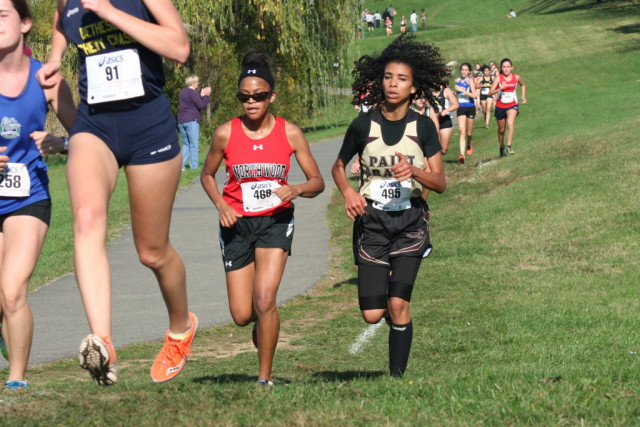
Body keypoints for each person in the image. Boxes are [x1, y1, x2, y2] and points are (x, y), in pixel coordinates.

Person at [36, 0, 198, 386]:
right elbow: (62, 19)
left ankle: (180, 328)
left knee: (152, 252)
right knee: (87, 217)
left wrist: (106, 10)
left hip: (149, 129)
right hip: (95, 126)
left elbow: (179, 47)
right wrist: (56, 56)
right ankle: (102, 344)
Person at [200, 50, 324, 386]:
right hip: (236, 223)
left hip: (275, 221)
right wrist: (221, 206)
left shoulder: (290, 133)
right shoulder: (226, 133)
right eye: (244, 97)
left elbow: (318, 182)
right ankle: (261, 322)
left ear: (271, 96)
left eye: (258, 96)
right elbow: (207, 175)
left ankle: (264, 379)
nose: (251, 102)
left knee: (265, 298)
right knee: (242, 314)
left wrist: (296, 189)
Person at [331, 34, 448, 378]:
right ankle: (385, 289)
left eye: (402, 79)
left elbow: (440, 183)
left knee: (399, 305)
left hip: (410, 223)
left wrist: (414, 171)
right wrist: (349, 194)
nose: (393, 84)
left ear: (414, 87)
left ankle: (396, 379)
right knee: (371, 313)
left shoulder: (423, 127)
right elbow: (338, 166)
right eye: (388, 77)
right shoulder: (363, 125)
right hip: (372, 223)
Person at [0, 0, 76, 390]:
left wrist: (58, 143)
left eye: (2, 15)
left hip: (27, 198)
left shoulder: (45, 78)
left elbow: (87, 140)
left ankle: (17, 380)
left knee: (12, 289)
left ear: (26, 23)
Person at [488, 58, 526, 157]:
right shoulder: (498, 78)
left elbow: (523, 85)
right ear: (501, 68)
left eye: (508, 67)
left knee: (510, 122)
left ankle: (509, 145)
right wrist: (500, 88)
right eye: (504, 67)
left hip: (512, 104)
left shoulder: (516, 77)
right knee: (501, 130)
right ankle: (501, 147)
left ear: (512, 67)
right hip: (500, 105)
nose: (506, 69)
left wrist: (523, 97)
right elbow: (490, 92)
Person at [178, 75, 211, 171]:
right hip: (191, 120)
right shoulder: (192, 92)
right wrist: (206, 96)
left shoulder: (183, 92)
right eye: (197, 82)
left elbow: (192, 102)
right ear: (193, 83)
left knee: (186, 144)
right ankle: (194, 167)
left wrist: (200, 95)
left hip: (181, 120)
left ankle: (179, 166)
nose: (198, 83)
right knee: (193, 145)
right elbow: (201, 105)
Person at [454, 63, 477, 163]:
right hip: (461, 108)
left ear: (469, 72)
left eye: (466, 70)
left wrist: (462, 90)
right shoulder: (457, 81)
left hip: (470, 107)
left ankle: (469, 143)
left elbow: (474, 95)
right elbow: (457, 93)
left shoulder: (470, 81)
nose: (464, 71)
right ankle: (462, 155)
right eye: (462, 69)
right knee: (462, 131)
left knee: (469, 132)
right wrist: (455, 92)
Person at [432, 81, 458, 155]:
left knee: (444, 149)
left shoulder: (446, 91)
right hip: (432, 120)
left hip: (445, 119)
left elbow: (456, 105)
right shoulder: (428, 92)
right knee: (434, 147)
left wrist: (446, 111)